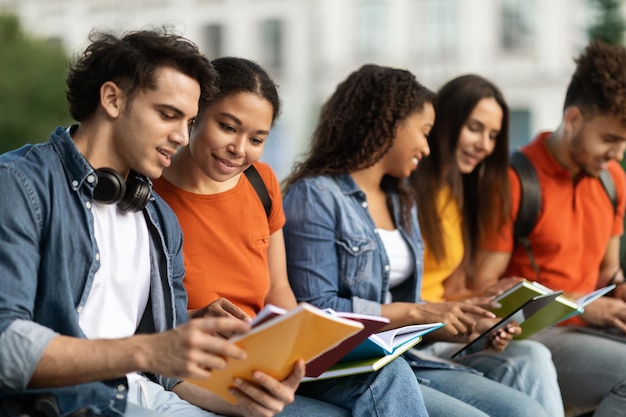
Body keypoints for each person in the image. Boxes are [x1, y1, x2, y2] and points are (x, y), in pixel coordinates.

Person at [0, 30, 304, 417]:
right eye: (168, 114)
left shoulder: (157, 217)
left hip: (147, 396)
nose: (181, 136)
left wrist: (238, 405)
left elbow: (167, 373)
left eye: (190, 120)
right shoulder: (20, 185)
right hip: (67, 405)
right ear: (112, 99)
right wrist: (149, 348)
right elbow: (6, 344)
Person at [153, 56, 429, 417]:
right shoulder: (151, 193)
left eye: (256, 138)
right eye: (227, 127)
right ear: (196, 115)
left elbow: (278, 288)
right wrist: (194, 317)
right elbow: (142, 317)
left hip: (266, 357)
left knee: (388, 374)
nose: (239, 149)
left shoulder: (261, 181)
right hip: (203, 367)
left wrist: (291, 342)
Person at [282, 64, 548, 417]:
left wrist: (468, 327)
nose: (426, 146)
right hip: (348, 366)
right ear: (390, 125)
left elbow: (408, 316)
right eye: (423, 132)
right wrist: (415, 311)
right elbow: (317, 309)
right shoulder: (316, 195)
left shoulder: (400, 200)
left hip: (403, 357)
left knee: (524, 411)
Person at [475, 40, 626, 415]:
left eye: (623, 142)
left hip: (593, 331)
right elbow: (482, 290)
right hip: (532, 335)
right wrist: (580, 306)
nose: (617, 155)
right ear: (573, 120)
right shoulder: (513, 181)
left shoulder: (612, 180)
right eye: (609, 140)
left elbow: (609, 272)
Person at [410, 74, 563, 415]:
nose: (485, 145)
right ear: (443, 121)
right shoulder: (407, 192)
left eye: (493, 135)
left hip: (445, 333)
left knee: (533, 355)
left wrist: (492, 302)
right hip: (415, 337)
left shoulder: (459, 195)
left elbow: (450, 289)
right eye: (475, 128)